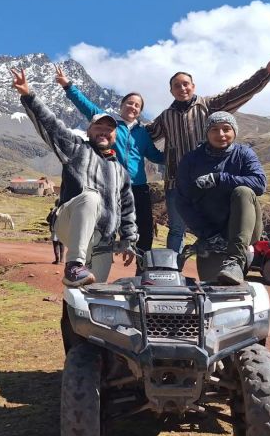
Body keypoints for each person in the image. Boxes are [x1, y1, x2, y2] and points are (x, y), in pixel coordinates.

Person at [11, 66, 137, 286]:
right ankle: (74, 264)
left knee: (91, 292)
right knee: (91, 197)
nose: (104, 132)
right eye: (98, 127)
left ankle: (74, 304)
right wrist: (28, 95)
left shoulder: (120, 171)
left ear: (115, 136)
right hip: (70, 224)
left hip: (102, 241)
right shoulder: (76, 149)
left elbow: (127, 209)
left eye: (109, 129)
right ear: (89, 131)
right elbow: (51, 126)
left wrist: (128, 239)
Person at [147, 52, 270, 254]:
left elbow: (238, 93)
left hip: (210, 179)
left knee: (217, 225)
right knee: (176, 229)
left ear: (193, 86)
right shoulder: (165, 117)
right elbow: (145, 135)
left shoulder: (209, 105)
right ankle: (172, 271)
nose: (182, 88)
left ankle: (227, 260)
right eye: (177, 85)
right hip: (177, 182)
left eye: (186, 84)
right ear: (171, 91)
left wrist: (265, 73)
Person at [55, 65, 164, 256]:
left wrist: (180, 157)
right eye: (129, 103)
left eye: (137, 105)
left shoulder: (143, 133)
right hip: (111, 185)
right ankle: (97, 260)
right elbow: (85, 105)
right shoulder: (110, 125)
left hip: (138, 187)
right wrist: (67, 86)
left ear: (140, 111)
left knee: (145, 230)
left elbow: (155, 156)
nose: (133, 107)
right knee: (106, 225)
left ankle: (143, 270)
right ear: (121, 106)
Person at [176, 112, 266, 285]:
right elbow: (182, 200)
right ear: (207, 133)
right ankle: (222, 253)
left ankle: (236, 259)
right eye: (215, 130)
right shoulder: (191, 160)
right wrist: (207, 234)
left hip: (244, 232)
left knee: (243, 191)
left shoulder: (244, 154)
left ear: (234, 131)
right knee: (212, 287)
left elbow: (260, 184)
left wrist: (220, 179)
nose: (221, 134)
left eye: (226, 129)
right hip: (210, 235)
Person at [46, 200, 65, 264]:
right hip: (63, 229)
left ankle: (57, 260)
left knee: (56, 244)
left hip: (55, 230)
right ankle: (61, 259)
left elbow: (48, 219)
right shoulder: (64, 210)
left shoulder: (54, 211)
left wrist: (51, 212)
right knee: (62, 244)